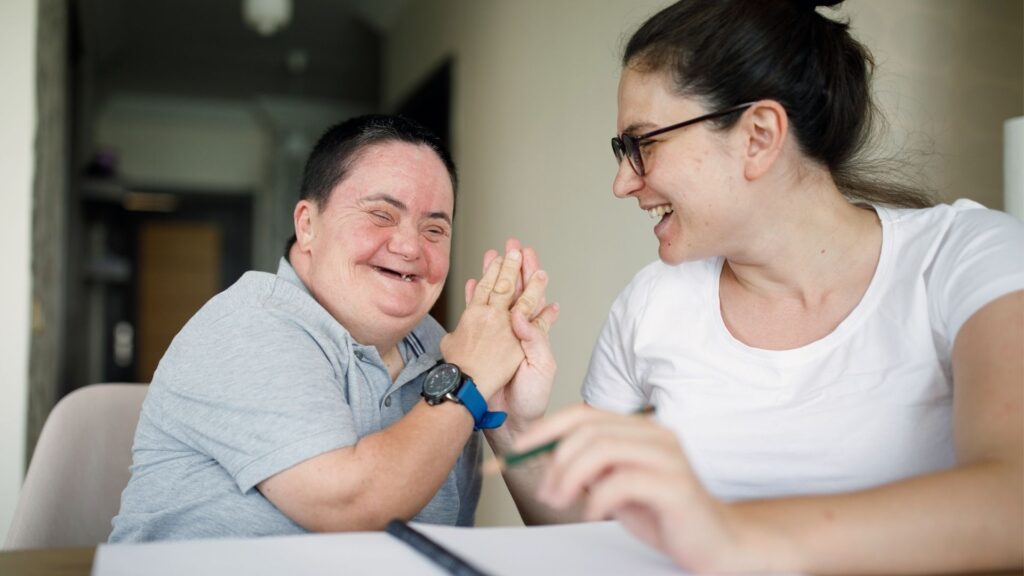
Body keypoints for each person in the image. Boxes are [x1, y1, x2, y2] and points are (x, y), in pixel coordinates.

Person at [495, 0, 1024, 573]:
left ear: (758, 135)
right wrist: (512, 424)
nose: (624, 182)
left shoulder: (969, 256)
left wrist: (732, 535)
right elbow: (592, 536)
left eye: (643, 144)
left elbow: (1011, 502)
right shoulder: (652, 303)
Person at [109, 114, 558, 542]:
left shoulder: (445, 352)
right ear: (307, 225)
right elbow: (354, 507)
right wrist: (467, 379)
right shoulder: (250, 325)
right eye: (381, 214)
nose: (409, 246)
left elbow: (540, 539)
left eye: (435, 229)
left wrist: (509, 422)